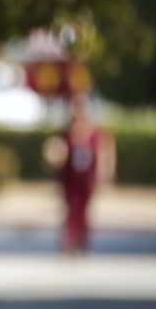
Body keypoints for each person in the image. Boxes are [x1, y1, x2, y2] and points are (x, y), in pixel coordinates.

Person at [44, 92, 115, 254]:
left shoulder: (96, 133)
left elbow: (104, 154)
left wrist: (105, 175)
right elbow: (55, 153)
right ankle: (69, 240)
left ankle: (82, 240)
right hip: (69, 178)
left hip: (87, 178)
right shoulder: (65, 133)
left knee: (84, 210)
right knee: (70, 209)